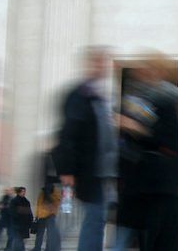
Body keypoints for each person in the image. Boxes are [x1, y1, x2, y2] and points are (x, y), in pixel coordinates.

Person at [114, 55, 178, 251]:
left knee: (153, 237)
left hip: (156, 186)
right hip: (141, 185)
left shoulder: (165, 103)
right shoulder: (138, 100)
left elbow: (167, 142)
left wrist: (136, 127)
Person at [53, 46, 117, 251]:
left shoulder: (96, 97)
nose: (104, 67)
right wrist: (67, 170)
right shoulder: (79, 95)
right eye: (99, 62)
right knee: (88, 219)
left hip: (98, 171)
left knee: (95, 218)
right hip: (85, 171)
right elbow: (69, 133)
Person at [32, 183, 62, 251]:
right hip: (45, 215)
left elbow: (56, 202)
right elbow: (39, 204)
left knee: (45, 234)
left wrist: (37, 215)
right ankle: (39, 248)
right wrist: (37, 215)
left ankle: (43, 248)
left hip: (48, 215)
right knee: (42, 233)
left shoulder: (54, 192)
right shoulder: (44, 192)